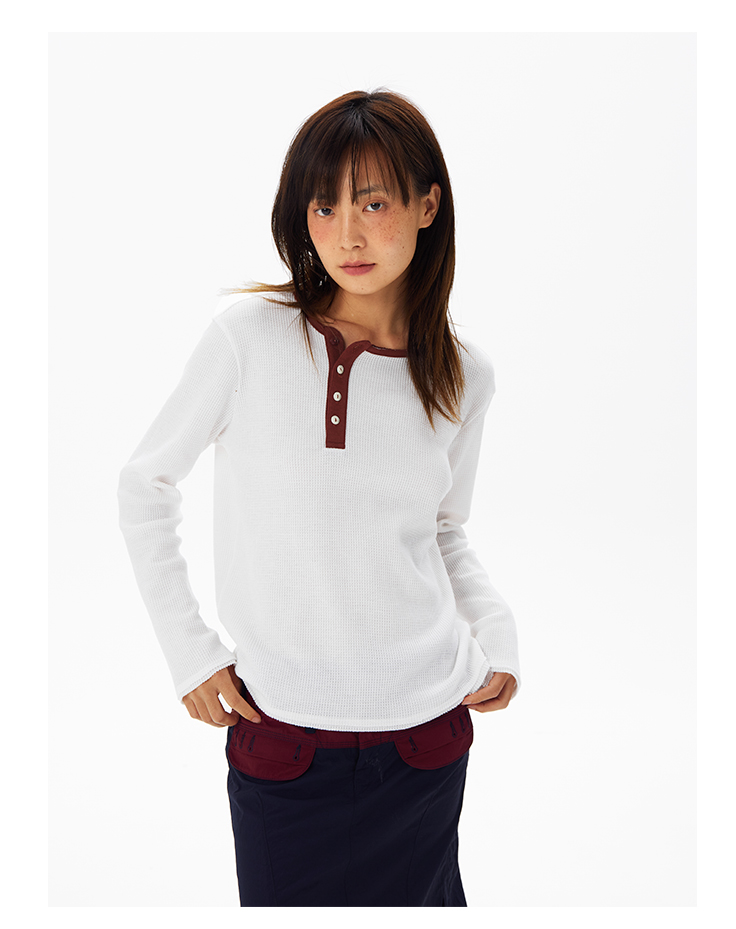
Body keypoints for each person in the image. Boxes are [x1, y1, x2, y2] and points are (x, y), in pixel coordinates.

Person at [117, 88, 521, 907]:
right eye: (324, 206)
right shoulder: (248, 337)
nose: (347, 234)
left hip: (427, 738)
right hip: (285, 742)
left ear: (427, 205)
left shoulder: (464, 374)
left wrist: (498, 632)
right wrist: (191, 652)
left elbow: (444, 530)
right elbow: (145, 483)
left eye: (373, 202)